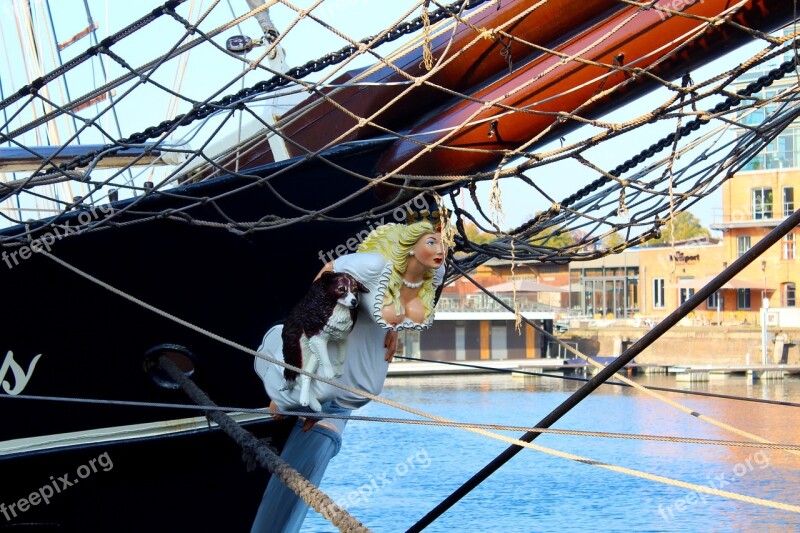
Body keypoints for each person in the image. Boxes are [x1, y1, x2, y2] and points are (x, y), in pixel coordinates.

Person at [251, 216, 446, 532]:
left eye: (442, 240)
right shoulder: (371, 264)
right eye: (432, 240)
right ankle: (283, 390)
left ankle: (307, 404)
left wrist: (395, 329)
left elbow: (408, 303)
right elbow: (328, 273)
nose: (441, 248)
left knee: (365, 388)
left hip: (368, 336)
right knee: (326, 380)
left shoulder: (436, 271)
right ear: (410, 244)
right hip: (336, 324)